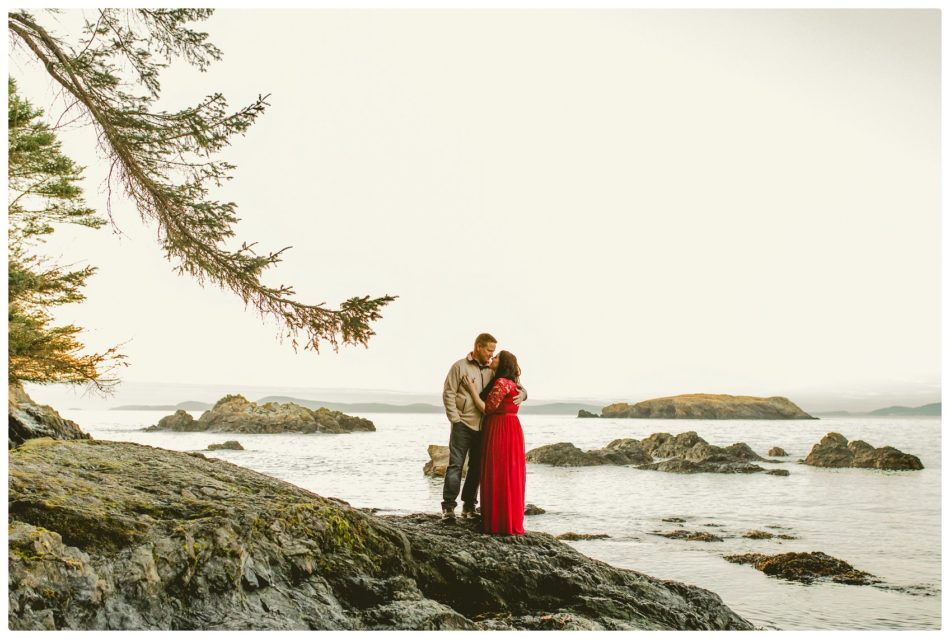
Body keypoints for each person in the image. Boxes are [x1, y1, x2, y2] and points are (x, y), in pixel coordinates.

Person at [441, 333, 526, 521]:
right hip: (462, 424)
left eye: (494, 352)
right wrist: (455, 419)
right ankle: (448, 508)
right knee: (455, 465)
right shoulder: (459, 367)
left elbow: (514, 382)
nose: (491, 354)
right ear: (478, 347)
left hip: (485, 427)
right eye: (489, 350)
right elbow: (448, 393)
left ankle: (469, 506)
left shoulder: (493, 369)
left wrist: (525, 393)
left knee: (477, 468)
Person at [461, 350, 526, 536]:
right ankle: (510, 519)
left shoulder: (501, 382)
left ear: (502, 362)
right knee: (510, 473)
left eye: (496, 357)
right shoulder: (514, 384)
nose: (493, 358)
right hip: (512, 427)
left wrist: (472, 390)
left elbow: (487, 408)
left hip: (499, 428)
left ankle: (497, 521)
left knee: (497, 472)